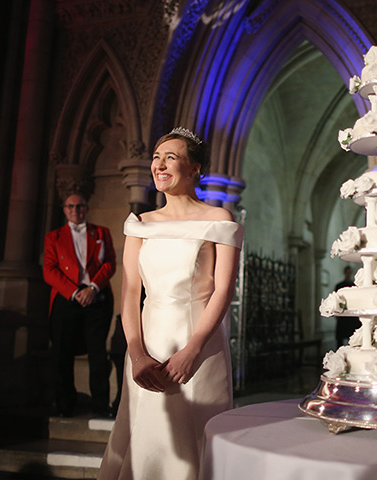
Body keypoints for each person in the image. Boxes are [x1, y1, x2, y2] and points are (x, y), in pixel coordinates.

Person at [98, 127, 243, 480]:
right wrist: (136, 353)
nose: (159, 165)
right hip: (149, 342)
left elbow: (223, 292)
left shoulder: (219, 220)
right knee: (149, 432)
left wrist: (193, 349)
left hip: (200, 343)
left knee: (194, 433)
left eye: (171, 158)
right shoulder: (140, 224)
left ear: (194, 168)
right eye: (156, 158)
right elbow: (130, 292)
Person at [43, 193, 116, 418]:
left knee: (97, 353)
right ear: (64, 209)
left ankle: (101, 405)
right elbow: (49, 270)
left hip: (96, 298)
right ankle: (64, 403)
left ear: (86, 208)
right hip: (67, 299)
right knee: (62, 353)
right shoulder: (54, 237)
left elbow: (110, 263)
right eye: (71, 206)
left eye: (80, 206)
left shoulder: (101, 232)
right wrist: (74, 292)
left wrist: (93, 288)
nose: (76, 210)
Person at [335, 266, 358, 348]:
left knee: (352, 338)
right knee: (340, 338)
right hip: (342, 314)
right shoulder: (339, 285)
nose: (348, 274)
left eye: (350, 272)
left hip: (352, 315)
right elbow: (337, 299)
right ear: (345, 273)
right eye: (347, 272)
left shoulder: (354, 286)